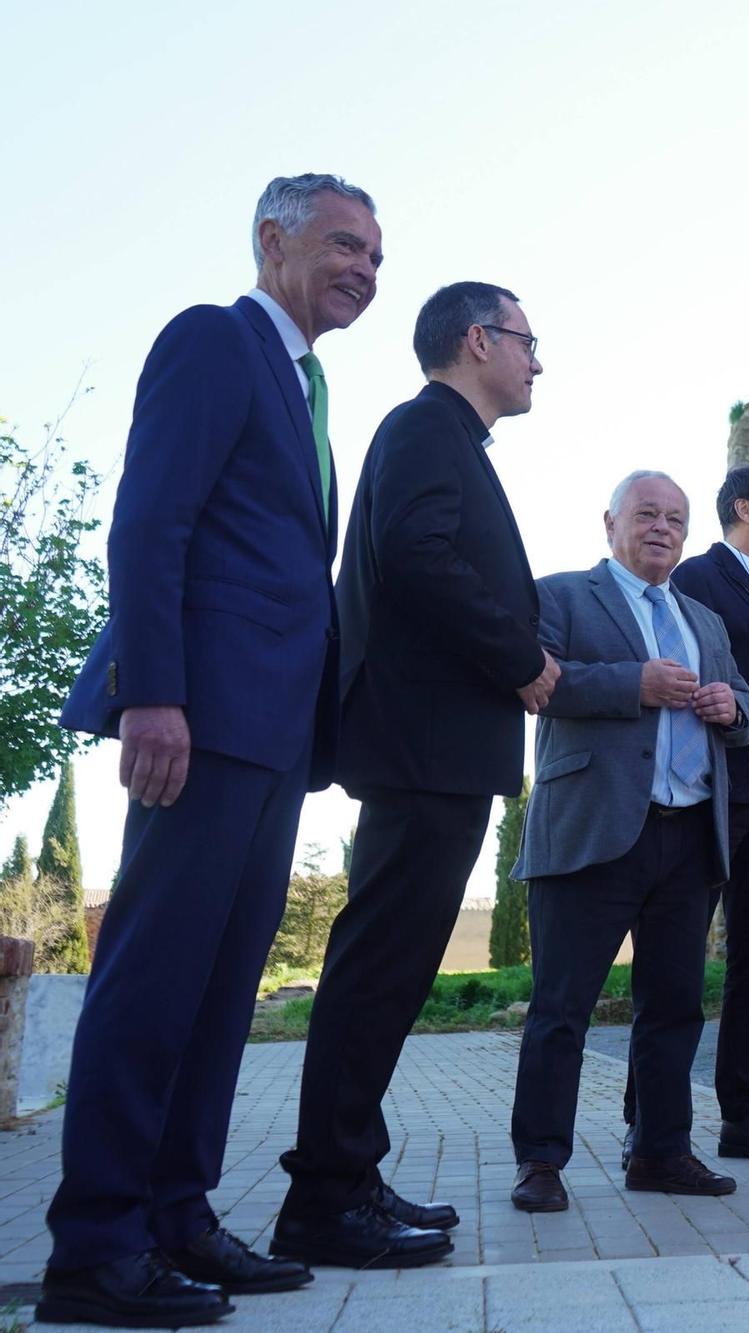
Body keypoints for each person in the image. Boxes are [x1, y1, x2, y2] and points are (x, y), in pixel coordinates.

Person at [40, 173, 380, 1329]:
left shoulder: (310, 385)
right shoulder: (215, 342)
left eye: (375, 258)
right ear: (271, 239)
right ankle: (94, 1248)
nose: (363, 271)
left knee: (222, 992)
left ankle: (178, 1217)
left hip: (272, 739)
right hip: (197, 724)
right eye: (343, 245)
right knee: (151, 983)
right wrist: (155, 695)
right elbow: (150, 520)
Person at [273, 282, 559, 1269]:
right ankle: (322, 1196)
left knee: (390, 973)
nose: (537, 360)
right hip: (422, 746)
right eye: (526, 340)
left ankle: (347, 1173)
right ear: (477, 339)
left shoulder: (446, 441)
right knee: (377, 969)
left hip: (437, 749)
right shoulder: (425, 429)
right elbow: (419, 557)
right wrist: (520, 657)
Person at [507, 471, 749, 1211]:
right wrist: (635, 684)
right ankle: (541, 1161)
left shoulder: (702, 619)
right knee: (562, 1006)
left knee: (675, 1004)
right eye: (647, 514)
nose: (662, 527)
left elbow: (746, 701)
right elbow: (538, 683)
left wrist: (731, 707)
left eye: (675, 518)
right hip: (593, 829)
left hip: (688, 835)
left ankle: (660, 1150)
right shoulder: (559, 595)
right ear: (610, 521)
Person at [631, 464, 749, 1165]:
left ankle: (743, 1113)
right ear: (744, 507)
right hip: (713, 796)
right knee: (673, 959)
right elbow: (699, 672)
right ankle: (645, 1119)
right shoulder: (699, 578)